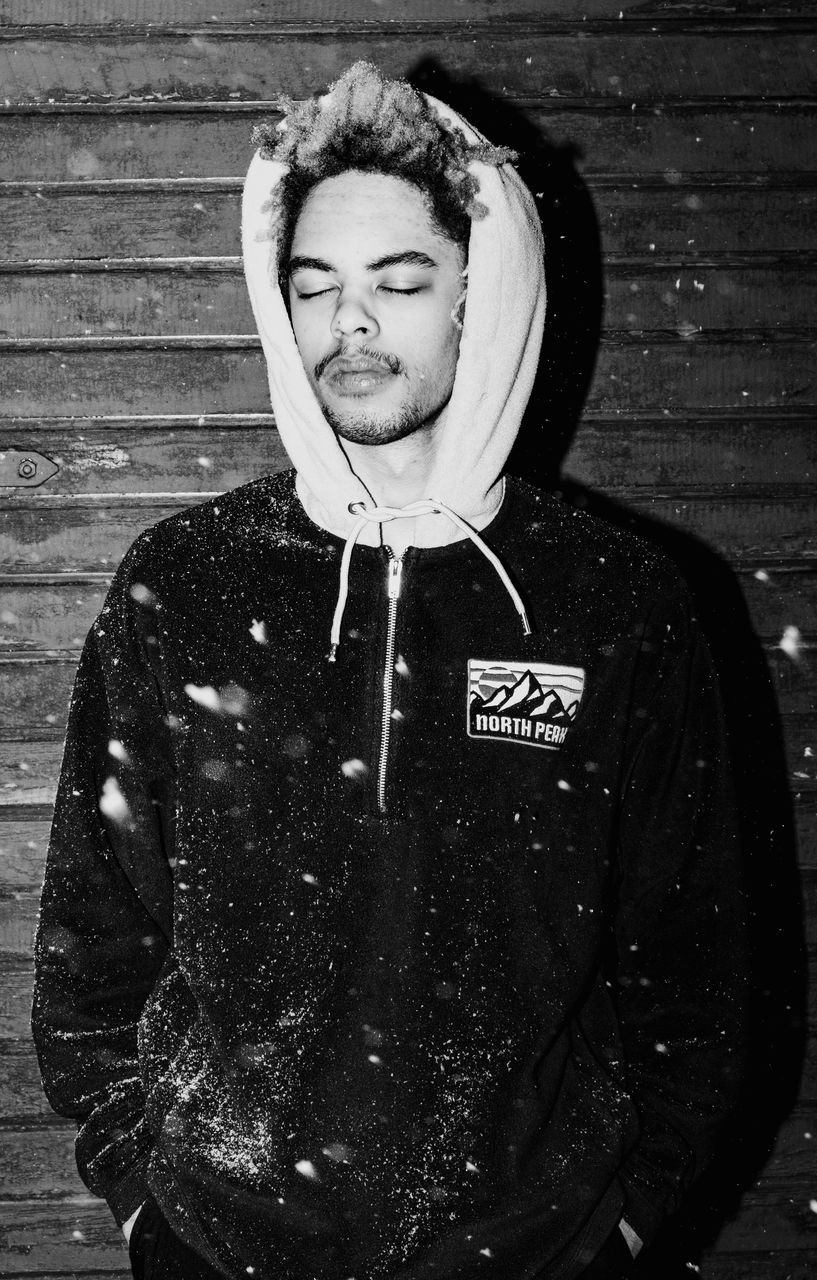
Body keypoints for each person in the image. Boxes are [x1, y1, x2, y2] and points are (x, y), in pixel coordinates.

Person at [31, 62, 747, 1280]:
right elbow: (95, 935)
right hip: (226, 1243)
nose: (349, 325)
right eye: (315, 288)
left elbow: (694, 957)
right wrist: (142, 1191)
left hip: (538, 1247)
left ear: (484, 295)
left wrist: (628, 1209)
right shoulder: (189, 582)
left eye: (400, 283)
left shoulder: (612, 599)